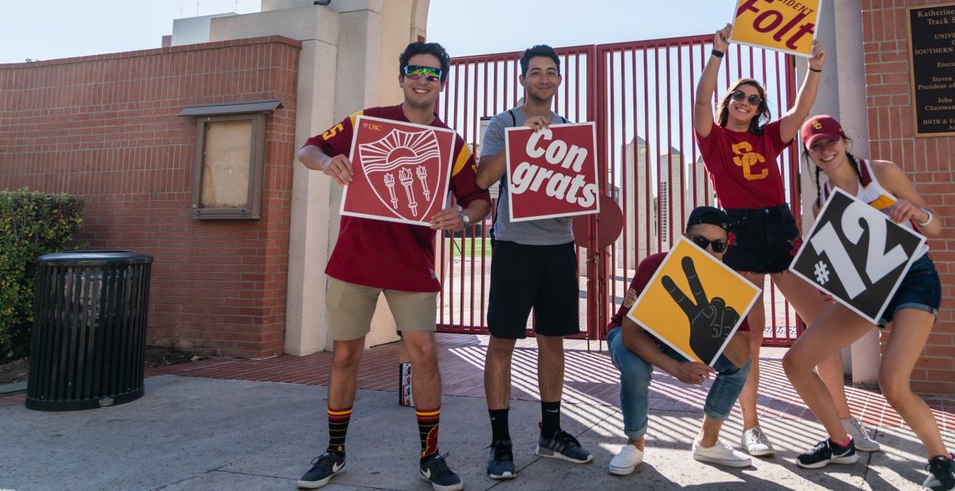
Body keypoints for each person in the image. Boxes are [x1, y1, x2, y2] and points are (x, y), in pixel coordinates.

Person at [296, 41, 492, 491]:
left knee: (424, 355)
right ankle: (334, 451)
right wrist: (329, 161)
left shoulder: (451, 144)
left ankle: (431, 455)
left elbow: (477, 199)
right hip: (355, 259)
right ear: (402, 76)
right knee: (346, 354)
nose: (423, 80)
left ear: (442, 83)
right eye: (415, 71)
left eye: (432, 74)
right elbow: (307, 149)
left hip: (411, 263)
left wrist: (461, 217)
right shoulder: (366, 122)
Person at [693, 24, 878, 458]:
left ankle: (844, 420)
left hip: (780, 227)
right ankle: (751, 427)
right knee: (751, 334)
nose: (746, 102)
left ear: (759, 109)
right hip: (739, 231)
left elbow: (800, 112)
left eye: (754, 99)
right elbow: (702, 101)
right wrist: (717, 54)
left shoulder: (767, 137)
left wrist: (813, 68)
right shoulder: (714, 141)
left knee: (823, 325)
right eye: (740, 95)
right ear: (730, 102)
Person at [784, 115, 955, 491]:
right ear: (808, 156)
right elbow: (848, 264)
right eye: (814, 146)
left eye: (830, 141)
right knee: (795, 362)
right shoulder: (823, 205)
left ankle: (943, 461)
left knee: (892, 381)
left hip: (914, 278)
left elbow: (936, 227)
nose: (824, 150)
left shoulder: (882, 173)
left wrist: (917, 213)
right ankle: (840, 441)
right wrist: (832, 284)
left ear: (845, 141)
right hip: (869, 291)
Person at [474, 45, 593, 480]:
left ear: (560, 80)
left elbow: (578, 191)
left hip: (558, 246)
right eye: (536, 72)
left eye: (551, 73)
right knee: (502, 341)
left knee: (552, 340)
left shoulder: (569, 131)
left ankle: (552, 433)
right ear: (522, 79)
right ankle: (500, 441)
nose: (544, 79)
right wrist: (520, 137)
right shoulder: (504, 123)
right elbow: (483, 179)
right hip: (514, 246)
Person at [605, 206, 754, 476]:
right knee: (635, 366)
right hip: (635, 335)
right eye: (700, 242)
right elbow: (630, 334)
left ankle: (708, 443)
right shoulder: (654, 265)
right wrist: (677, 369)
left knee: (740, 366)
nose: (708, 252)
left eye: (717, 245)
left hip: (682, 339)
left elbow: (742, 357)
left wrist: (721, 329)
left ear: (724, 250)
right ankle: (635, 443)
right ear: (684, 239)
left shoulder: (730, 284)